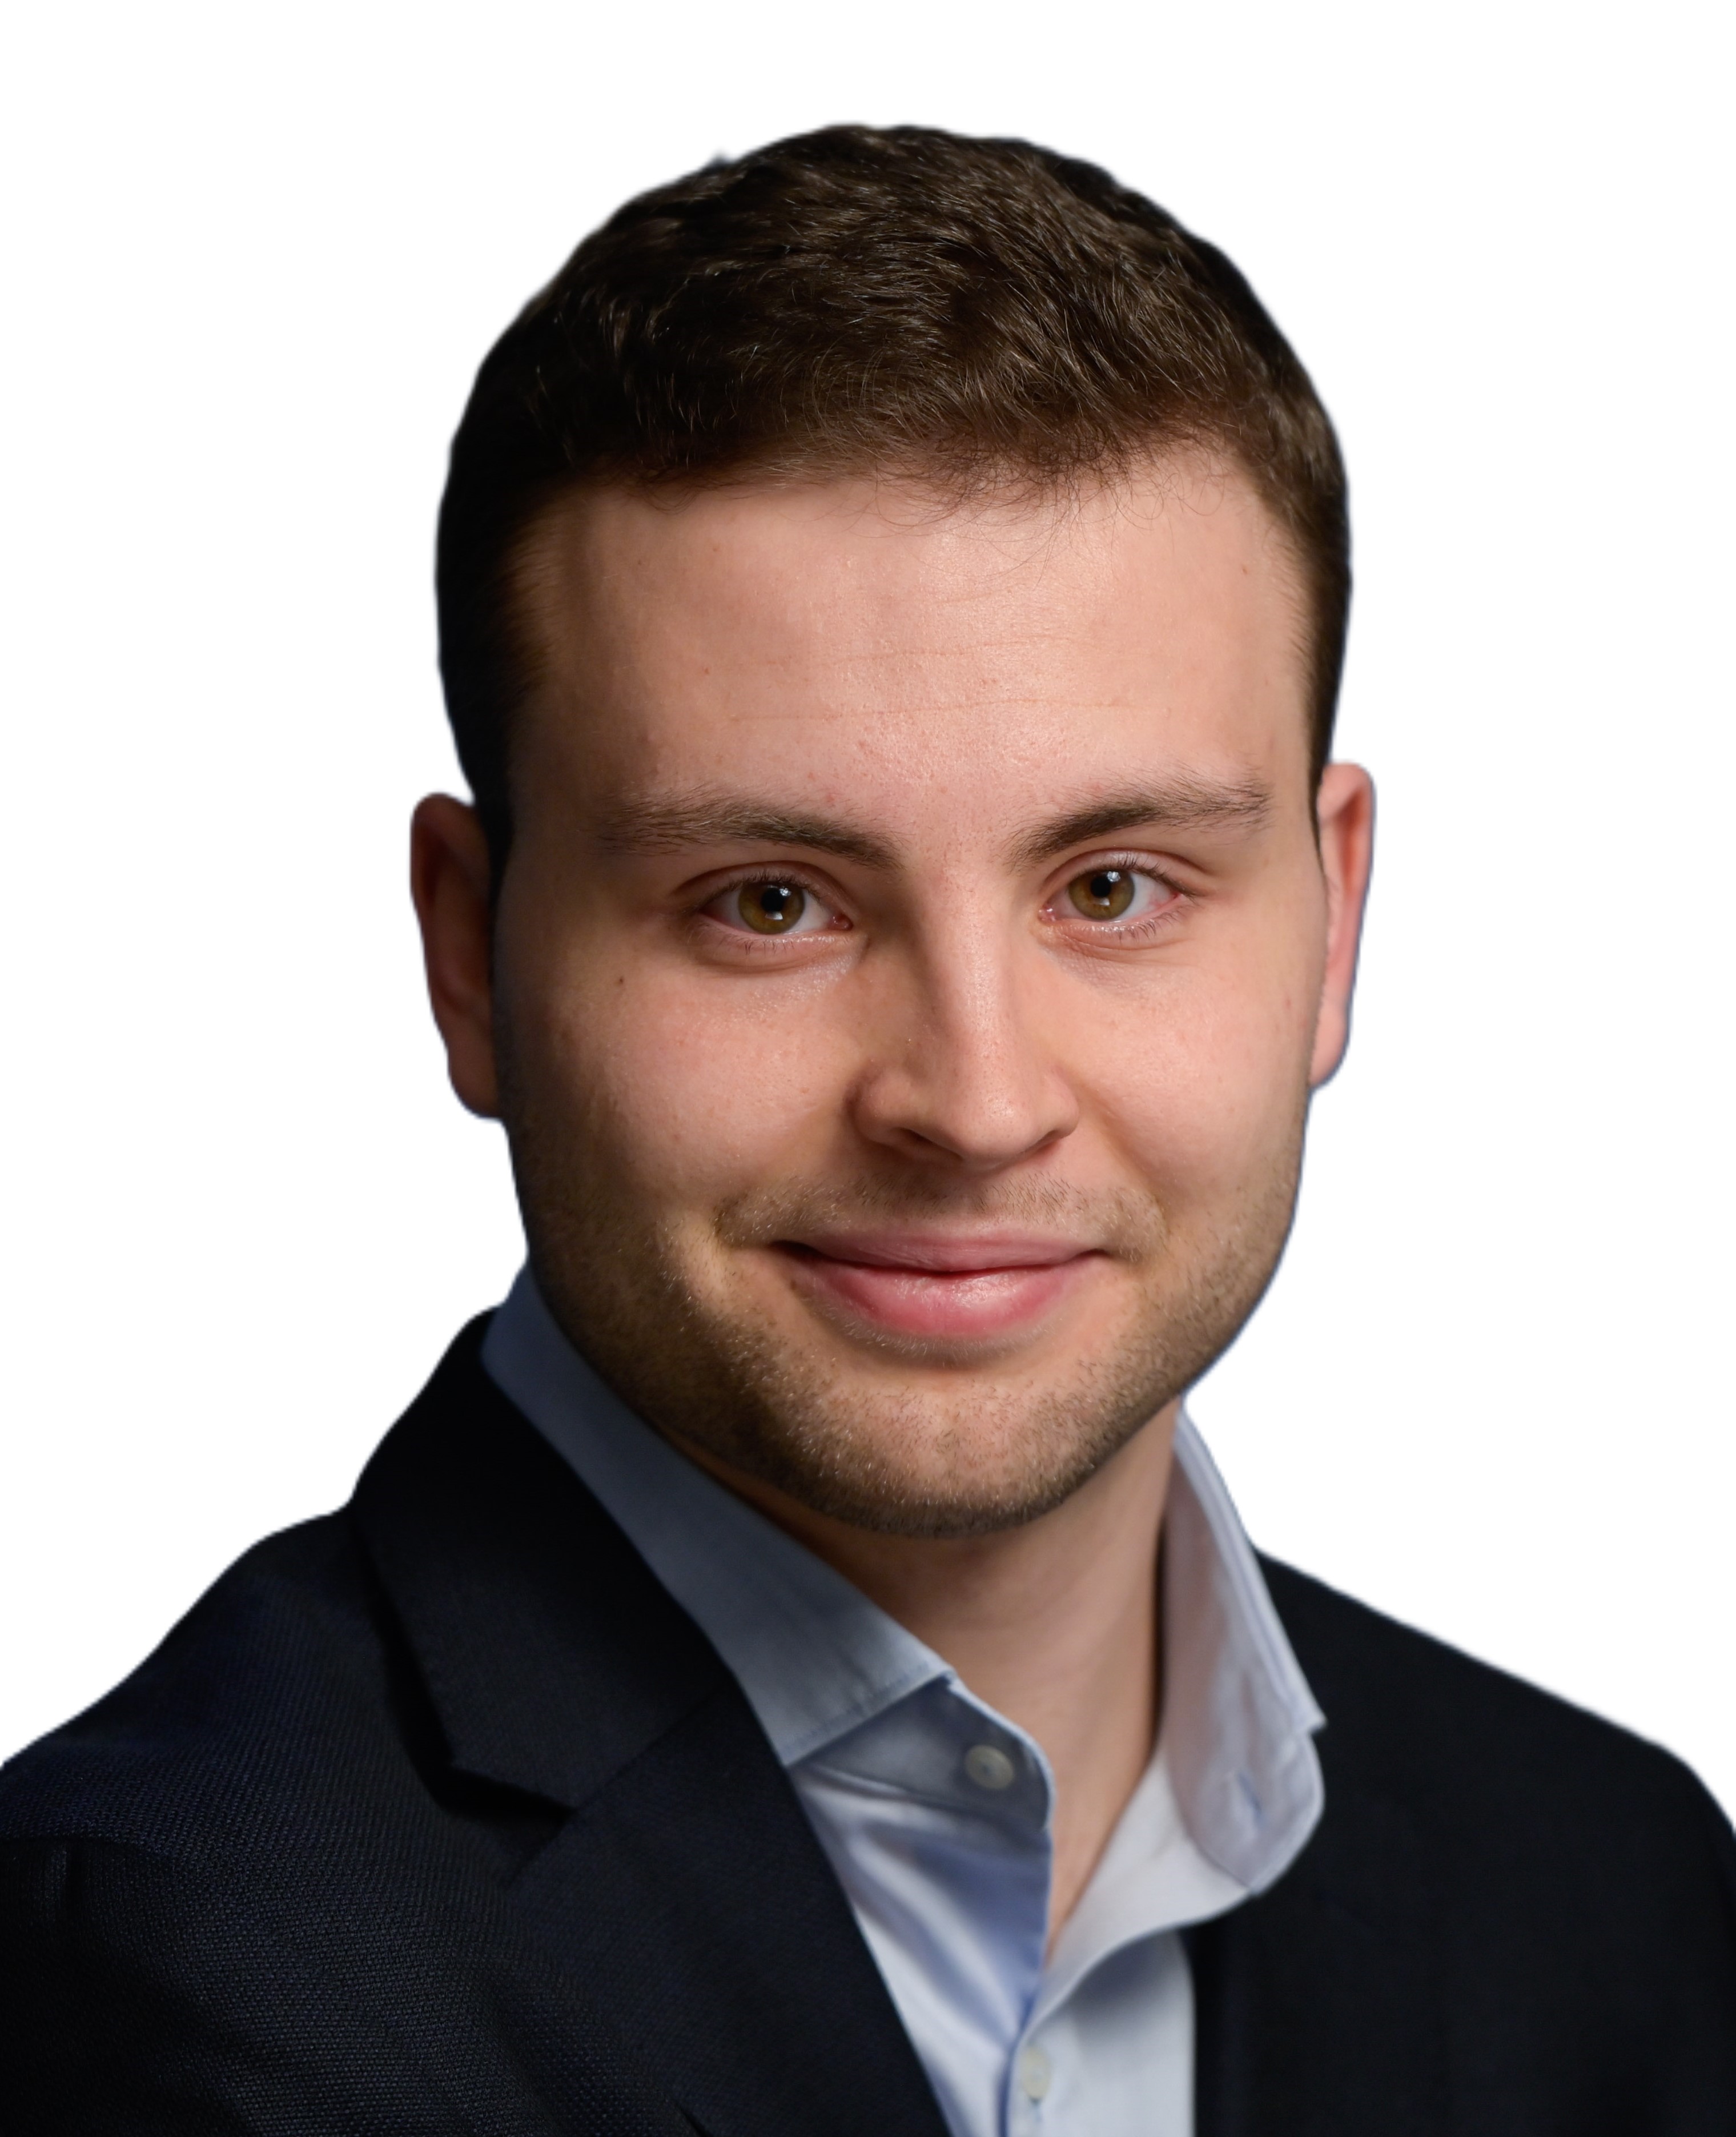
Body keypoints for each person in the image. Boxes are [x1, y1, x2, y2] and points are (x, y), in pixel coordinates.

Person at [1, 123, 1731, 2136]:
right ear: (471, 957)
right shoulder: (164, 1979)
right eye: (770, 904)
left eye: (1113, 888)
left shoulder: (1616, 1895)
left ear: (1333, 922)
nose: (975, 1104)